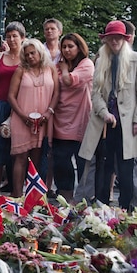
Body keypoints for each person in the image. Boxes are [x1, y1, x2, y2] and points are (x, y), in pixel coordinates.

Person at [79, 21, 137, 210]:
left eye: (118, 37)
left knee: (127, 168)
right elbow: (96, 93)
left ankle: (128, 209)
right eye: (111, 37)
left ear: (124, 39)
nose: (114, 41)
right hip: (105, 123)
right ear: (106, 39)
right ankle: (101, 207)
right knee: (103, 166)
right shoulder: (100, 60)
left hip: (129, 122)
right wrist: (104, 112)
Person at [7, 38, 58, 197]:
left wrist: (48, 113)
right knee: (21, 158)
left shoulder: (51, 68)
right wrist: (23, 116)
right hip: (22, 119)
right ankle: (17, 196)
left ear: (40, 52)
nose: (30, 57)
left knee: (36, 158)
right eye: (27, 54)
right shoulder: (21, 70)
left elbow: (57, 93)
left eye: (32, 53)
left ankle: (32, 198)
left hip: (43, 120)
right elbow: (11, 96)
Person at [52, 33, 93, 202]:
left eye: (71, 46)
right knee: (61, 162)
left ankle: (82, 199)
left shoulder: (86, 64)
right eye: (64, 47)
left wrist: (62, 69)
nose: (67, 50)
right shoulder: (58, 66)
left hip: (80, 121)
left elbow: (69, 81)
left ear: (79, 47)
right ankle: (64, 196)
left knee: (83, 163)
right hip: (60, 119)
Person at [0, 22, 25, 194]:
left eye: (15, 36)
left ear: (22, 38)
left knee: (18, 149)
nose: (11, 39)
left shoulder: (27, 57)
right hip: (0, 104)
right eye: (9, 36)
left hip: (20, 106)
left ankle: (16, 191)